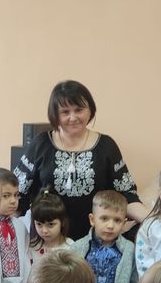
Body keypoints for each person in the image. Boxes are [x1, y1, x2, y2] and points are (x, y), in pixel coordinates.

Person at [15, 81, 147, 240]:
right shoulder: (40, 144)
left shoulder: (106, 146)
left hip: (96, 242)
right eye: (65, 112)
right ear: (55, 114)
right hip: (46, 242)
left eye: (79, 110)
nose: (73, 117)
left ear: (90, 110)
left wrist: (156, 221)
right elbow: (17, 195)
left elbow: (127, 196)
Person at [28, 190, 74, 265]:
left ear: (62, 222)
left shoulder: (71, 247)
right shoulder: (31, 246)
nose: (44, 231)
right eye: (39, 224)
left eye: (50, 224)